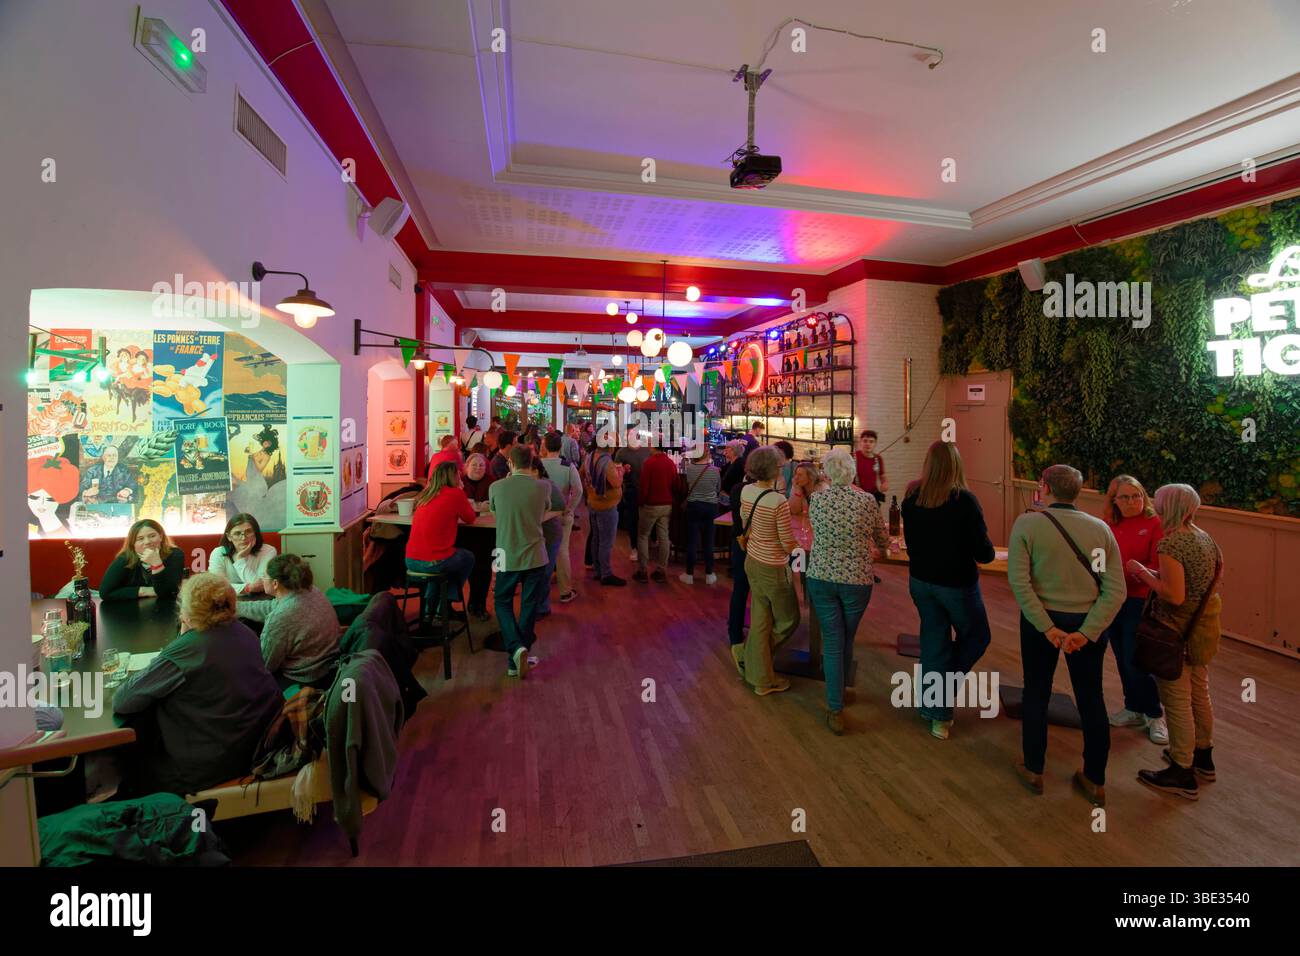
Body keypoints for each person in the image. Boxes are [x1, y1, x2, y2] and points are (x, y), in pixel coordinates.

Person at [1007, 464, 1125, 806]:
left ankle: (1033, 767)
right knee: (1091, 699)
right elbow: (1113, 589)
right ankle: (1094, 778)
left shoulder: (1028, 524)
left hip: (1040, 622)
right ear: (1079, 490)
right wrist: (1087, 633)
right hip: (1086, 621)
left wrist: (1046, 627)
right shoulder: (1100, 530)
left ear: (1044, 487)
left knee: (1036, 692)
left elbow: (1020, 581)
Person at [112, 573, 282, 795]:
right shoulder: (245, 633)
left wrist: (183, 637)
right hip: (251, 749)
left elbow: (123, 700)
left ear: (187, 613)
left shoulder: (188, 649)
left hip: (204, 768)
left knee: (129, 768)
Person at [901, 441, 995, 740]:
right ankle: (939, 699)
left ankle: (933, 704)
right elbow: (984, 553)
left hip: (920, 581)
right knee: (977, 637)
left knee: (934, 640)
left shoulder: (912, 499)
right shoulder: (964, 501)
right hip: (955, 584)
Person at [1135, 485, 1223, 801]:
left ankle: (1181, 770)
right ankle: (1203, 756)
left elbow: (1173, 594)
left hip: (1175, 629)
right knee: (1200, 691)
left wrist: (1142, 572)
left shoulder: (1171, 542)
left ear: (1166, 507)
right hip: (1202, 628)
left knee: (1175, 698)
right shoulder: (1203, 537)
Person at [807, 448, 888, 733]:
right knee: (846, 637)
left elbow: (816, 531)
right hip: (856, 579)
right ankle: (838, 696)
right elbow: (881, 537)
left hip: (822, 576)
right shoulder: (867, 501)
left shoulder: (816, 500)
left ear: (827, 473)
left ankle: (835, 705)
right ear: (852, 472)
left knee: (832, 639)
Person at [1100, 475, 1167, 744]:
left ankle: (1154, 714)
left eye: (1136, 495)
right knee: (1120, 654)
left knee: (1137, 658)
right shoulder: (1106, 525)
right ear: (1114, 501)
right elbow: (1098, 558)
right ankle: (1133, 707)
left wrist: (1138, 572)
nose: (1132, 502)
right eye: (1125, 497)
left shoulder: (1154, 523)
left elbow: (1159, 565)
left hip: (1140, 600)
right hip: (1112, 598)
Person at [738, 447, 800, 696]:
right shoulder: (778, 501)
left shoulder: (746, 490)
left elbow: (746, 523)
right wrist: (804, 549)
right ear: (774, 469)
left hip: (752, 560)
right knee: (789, 619)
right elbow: (786, 542)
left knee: (761, 620)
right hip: (774, 567)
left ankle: (759, 674)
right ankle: (752, 659)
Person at [489, 445, 550, 677]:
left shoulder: (496, 487)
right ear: (532, 462)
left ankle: (515, 651)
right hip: (535, 553)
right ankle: (518, 654)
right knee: (529, 604)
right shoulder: (542, 487)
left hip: (505, 552)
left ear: (510, 464)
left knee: (502, 601)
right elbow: (545, 510)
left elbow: (495, 513)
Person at [237, 554, 341, 690]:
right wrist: (237, 607)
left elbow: (266, 665)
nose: (262, 578)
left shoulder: (281, 617)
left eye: (264, 575)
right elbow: (273, 606)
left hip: (303, 679)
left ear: (275, 584)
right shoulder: (310, 591)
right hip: (327, 668)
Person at [405, 460, 477, 623]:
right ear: (453, 477)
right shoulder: (455, 494)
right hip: (435, 561)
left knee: (442, 568)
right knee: (467, 558)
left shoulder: (425, 494)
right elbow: (471, 518)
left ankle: (432, 609)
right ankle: (445, 604)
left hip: (411, 561)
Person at [540, 433, 583, 603]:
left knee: (540, 551)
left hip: (541, 515)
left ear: (545, 446)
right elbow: (578, 490)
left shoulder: (538, 465)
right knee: (562, 551)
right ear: (560, 447)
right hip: (562, 513)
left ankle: (540, 592)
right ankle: (565, 591)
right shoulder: (568, 465)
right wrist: (569, 507)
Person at [100, 519, 184, 601]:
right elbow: (105, 593)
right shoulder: (125, 558)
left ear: (161, 537)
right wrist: (144, 591)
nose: (147, 542)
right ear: (133, 543)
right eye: (140, 538)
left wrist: (156, 564)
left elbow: (170, 592)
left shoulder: (175, 554)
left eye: (152, 536)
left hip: (166, 610)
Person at [459, 453, 496, 620]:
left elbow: (493, 506)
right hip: (465, 534)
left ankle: (480, 604)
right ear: (466, 466)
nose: (478, 468)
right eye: (474, 465)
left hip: (486, 533)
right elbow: (463, 506)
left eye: (481, 465)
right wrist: (480, 506)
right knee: (470, 570)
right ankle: (471, 603)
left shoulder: (492, 482)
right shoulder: (460, 482)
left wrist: (474, 505)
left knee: (484, 570)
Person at [584, 439, 626, 586]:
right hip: (606, 505)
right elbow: (616, 483)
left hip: (593, 503)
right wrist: (621, 472)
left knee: (596, 538)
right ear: (610, 448)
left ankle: (597, 570)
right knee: (606, 542)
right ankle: (606, 574)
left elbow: (581, 473)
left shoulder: (590, 457)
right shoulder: (606, 462)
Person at [530, 454, 567, 617]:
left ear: (536, 471)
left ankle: (541, 607)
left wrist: (539, 518)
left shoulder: (547, 484)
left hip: (549, 534)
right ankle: (537, 606)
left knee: (544, 572)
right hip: (535, 535)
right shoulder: (528, 485)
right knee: (537, 573)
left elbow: (561, 506)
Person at [679, 447, 721, 585]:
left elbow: (685, 486)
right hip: (711, 507)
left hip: (694, 506)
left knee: (692, 541)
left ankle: (689, 573)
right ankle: (709, 573)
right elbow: (717, 489)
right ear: (707, 454)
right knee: (709, 541)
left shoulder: (689, 469)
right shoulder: (715, 471)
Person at [635, 444, 676, 583]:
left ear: (653, 447)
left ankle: (642, 570)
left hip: (651, 505)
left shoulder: (649, 463)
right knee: (664, 537)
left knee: (642, 535)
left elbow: (644, 486)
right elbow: (676, 484)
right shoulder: (670, 462)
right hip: (666, 504)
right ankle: (661, 570)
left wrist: (640, 502)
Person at [210, 513, 277, 596]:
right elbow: (217, 587)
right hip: (226, 601)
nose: (243, 538)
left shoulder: (268, 551)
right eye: (237, 533)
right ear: (229, 537)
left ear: (255, 533)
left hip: (261, 601)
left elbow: (261, 586)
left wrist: (240, 559)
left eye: (248, 531)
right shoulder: (218, 553)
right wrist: (247, 588)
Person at [615, 427, 653, 561]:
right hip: (630, 490)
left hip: (647, 490)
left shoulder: (647, 450)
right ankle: (634, 548)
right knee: (633, 520)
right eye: (627, 435)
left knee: (647, 519)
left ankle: (648, 544)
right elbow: (615, 473)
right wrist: (623, 470)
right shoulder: (621, 453)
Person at [854, 430, 888, 503]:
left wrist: (884, 483)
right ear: (860, 442)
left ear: (875, 443)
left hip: (873, 497)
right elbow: (845, 480)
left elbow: (882, 476)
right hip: (856, 497)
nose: (868, 444)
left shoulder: (878, 458)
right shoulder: (853, 457)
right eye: (865, 441)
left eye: (871, 441)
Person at [719, 439, 747, 504]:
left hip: (733, 499)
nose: (725, 450)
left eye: (727, 448)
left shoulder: (740, 463)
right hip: (726, 497)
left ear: (734, 450)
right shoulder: (731, 462)